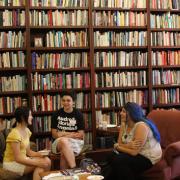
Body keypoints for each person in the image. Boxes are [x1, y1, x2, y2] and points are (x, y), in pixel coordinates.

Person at [104, 102, 162, 180]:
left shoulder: (141, 126)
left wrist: (117, 147)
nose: (120, 113)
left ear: (131, 113)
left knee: (119, 160)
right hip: (135, 152)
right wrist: (127, 145)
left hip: (147, 157)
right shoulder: (124, 124)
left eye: (124, 111)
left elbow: (133, 152)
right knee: (110, 156)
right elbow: (119, 143)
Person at [3, 106, 51, 180]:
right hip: (12, 163)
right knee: (43, 164)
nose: (32, 117)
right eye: (30, 115)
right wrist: (37, 163)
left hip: (23, 159)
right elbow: (17, 158)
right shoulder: (14, 134)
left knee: (46, 160)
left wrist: (41, 154)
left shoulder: (27, 130)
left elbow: (29, 152)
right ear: (23, 117)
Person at [51, 91, 84, 169]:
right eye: (63, 100)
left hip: (75, 142)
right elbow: (55, 135)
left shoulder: (78, 114)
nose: (65, 102)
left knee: (64, 152)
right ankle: (74, 168)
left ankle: (66, 176)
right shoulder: (56, 114)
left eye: (68, 100)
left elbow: (81, 135)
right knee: (63, 141)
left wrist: (62, 134)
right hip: (58, 143)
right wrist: (72, 134)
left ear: (73, 102)